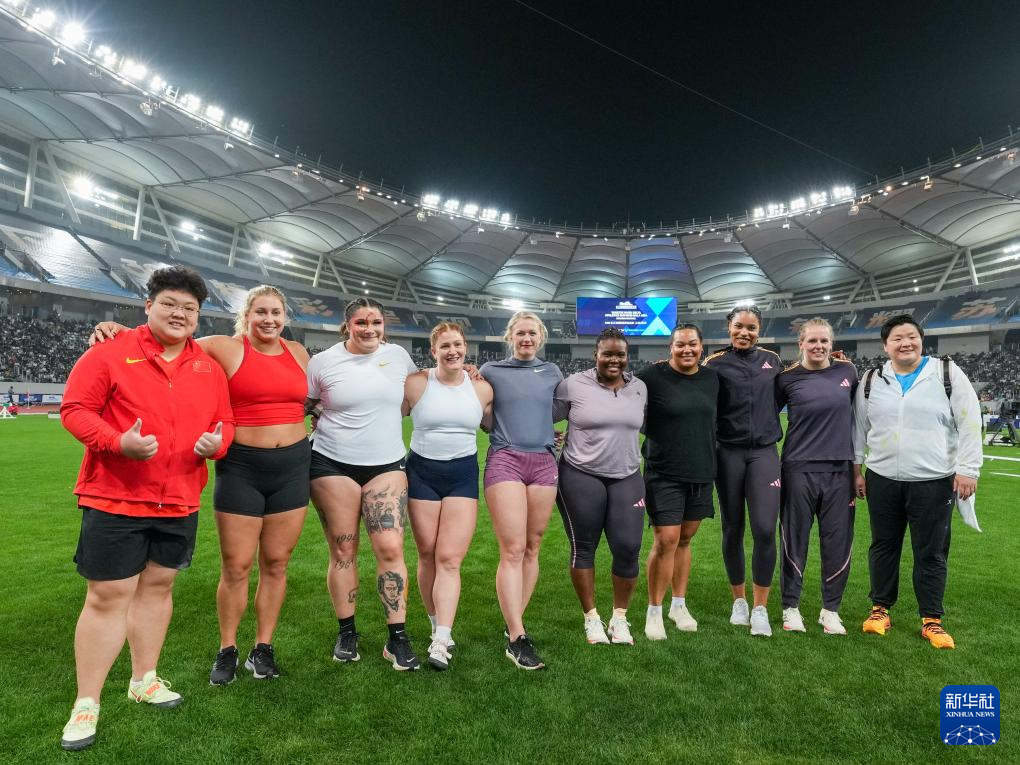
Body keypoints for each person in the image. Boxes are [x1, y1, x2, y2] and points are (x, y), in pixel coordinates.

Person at [90, 286, 312, 685]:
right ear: (247, 315)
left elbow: (316, 396)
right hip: (242, 468)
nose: (269, 319)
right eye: (261, 312)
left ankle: (263, 647)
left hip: (293, 467)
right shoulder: (223, 347)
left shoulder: (298, 353)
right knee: (236, 566)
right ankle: (227, 648)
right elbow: (170, 337)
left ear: (285, 317)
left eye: (276, 312)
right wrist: (122, 331)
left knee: (277, 563)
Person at [59, 266, 233, 751]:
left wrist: (217, 445)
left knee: (158, 588)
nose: (179, 314)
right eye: (170, 304)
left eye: (189, 308)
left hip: (179, 497)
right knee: (107, 596)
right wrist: (118, 442)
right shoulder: (110, 352)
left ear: (198, 316)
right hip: (115, 495)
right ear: (149, 306)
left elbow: (225, 422)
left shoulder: (208, 367)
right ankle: (87, 702)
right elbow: (75, 410)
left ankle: (145, 679)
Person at [853, 314, 981, 649]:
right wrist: (856, 469)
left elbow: (970, 420)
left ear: (922, 340)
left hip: (934, 480)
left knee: (931, 551)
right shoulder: (872, 379)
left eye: (911, 336)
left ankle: (931, 620)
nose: (905, 343)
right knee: (883, 546)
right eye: (897, 338)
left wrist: (969, 468)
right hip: (882, 478)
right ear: (886, 346)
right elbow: (858, 427)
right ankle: (880, 609)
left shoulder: (946, 373)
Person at [306, 298, 421, 670]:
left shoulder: (399, 357)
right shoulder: (323, 362)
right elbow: (303, 403)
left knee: (390, 547)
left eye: (376, 322)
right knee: (344, 550)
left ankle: (397, 637)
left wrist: (468, 371)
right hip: (331, 462)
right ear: (347, 325)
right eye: (361, 322)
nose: (369, 328)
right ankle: (347, 632)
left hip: (386, 463)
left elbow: (422, 390)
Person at [402, 322, 493, 670]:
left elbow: (497, 426)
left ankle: (442, 639)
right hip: (421, 474)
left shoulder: (481, 388)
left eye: (457, 344)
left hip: (462, 476)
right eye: (445, 346)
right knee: (427, 555)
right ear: (433, 351)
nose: (452, 351)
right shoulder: (416, 383)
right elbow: (382, 415)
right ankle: (434, 622)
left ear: (465, 347)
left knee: (450, 559)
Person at [553, 328, 647, 646]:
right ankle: (592, 618)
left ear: (627, 356)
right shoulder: (573, 384)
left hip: (627, 475)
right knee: (584, 547)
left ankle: (619, 618)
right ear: (596, 354)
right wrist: (545, 437)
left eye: (620, 354)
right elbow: (541, 416)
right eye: (607, 353)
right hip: (581, 474)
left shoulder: (639, 388)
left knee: (628, 548)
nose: (614, 359)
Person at [481, 311, 563, 669]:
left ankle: (515, 620)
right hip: (506, 459)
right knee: (513, 548)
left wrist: (548, 431)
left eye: (532, 333)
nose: (526, 339)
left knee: (532, 546)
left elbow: (559, 410)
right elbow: (479, 411)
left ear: (540, 337)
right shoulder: (490, 371)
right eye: (520, 333)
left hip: (544, 461)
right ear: (510, 336)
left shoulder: (553, 372)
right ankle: (517, 637)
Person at [774, 318, 857, 635]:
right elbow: (764, 418)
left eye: (824, 341)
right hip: (798, 468)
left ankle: (830, 610)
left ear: (832, 344)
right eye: (812, 341)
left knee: (837, 542)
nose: (819, 346)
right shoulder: (786, 379)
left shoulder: (848, 372)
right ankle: (790, 607)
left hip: (839, 471)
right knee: (794, 540)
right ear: (801, 344)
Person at [704, 305, 782, 637]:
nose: (744, 333)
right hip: (728, 453)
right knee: (732, 527)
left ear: (759, 330)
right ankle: (739, 601)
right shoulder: (714, 363)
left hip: (764, 453)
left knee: (764, 528)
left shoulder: (773, 361)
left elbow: (780, 398)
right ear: (729, 328)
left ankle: (760, 607)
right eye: (739, 326)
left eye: (751, 328)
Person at [638, 324, 719, 639]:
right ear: (670, 348)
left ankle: (678, 605)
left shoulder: (712, 379)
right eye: (681, 344)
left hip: (701, 471)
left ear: (702, 347)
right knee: (666, 540)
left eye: (693, 344)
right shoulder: (651, 377)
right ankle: (654, 610)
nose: (687, 349)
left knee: (685, 540)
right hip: (663, 472)